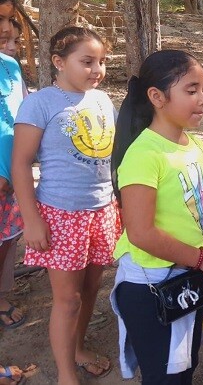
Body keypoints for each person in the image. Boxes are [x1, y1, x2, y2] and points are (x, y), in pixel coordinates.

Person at [110, 50, 203, 384]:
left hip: (186, 277)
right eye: (191, 90)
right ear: (157, 97)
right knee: (164, 375)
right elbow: (141, 233)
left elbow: (199, 200)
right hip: (153, 285)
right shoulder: (144, 155)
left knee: (185, 364)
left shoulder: (194, 145)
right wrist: (202, 258)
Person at [12, 26, 121, 384]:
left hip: (101, 211)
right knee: (67, 299)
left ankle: (77, 348)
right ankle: (64, 373)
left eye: (102, 62)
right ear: (59, 62)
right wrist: (31, 219)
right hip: (60, 216)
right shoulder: (40, 102)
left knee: (90, 290)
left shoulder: (103, 101)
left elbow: (111, 159)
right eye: (87, 61)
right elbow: (21, 163)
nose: (97, 69)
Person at [0, 0, 25, 333]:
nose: (6, 29)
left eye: (9, 19)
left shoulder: (9, 66)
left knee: (6, 239)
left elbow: (18, 117)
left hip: (12, 178)